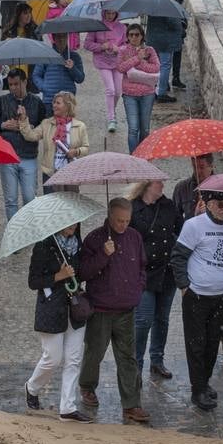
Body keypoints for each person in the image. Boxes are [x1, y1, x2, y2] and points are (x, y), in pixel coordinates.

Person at [76, 198, 150, 423]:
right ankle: (87, 386)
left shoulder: (134, 237)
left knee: (127, 358)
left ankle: (131, 404)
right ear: (109, 216)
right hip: (100, 309)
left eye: (127, 221)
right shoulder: (95, 239)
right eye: (119, 221)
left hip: (127, 308)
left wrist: (139, 287)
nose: (123, 225)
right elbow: (83, 273)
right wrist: (103, 255)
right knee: (94, 352)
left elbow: (142, 266)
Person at [170, 189, 223, 411]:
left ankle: (204, 382)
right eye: (219, 204)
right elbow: (178, 256)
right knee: (196, 344)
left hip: (222, 295)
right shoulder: (193, 225)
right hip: (197, 295)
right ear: (208, 204)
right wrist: (183, 286)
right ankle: (197, 389)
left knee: (211, 343)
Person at [26, 224, 91, 422]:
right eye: (67, 224)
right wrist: (58, 276)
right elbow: (33, 281)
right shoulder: (44, 246)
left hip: (75, 307)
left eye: (74, 223)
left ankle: (67, 407)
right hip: (52, 308)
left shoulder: (78, 244)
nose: (72, 227)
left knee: (73, 358)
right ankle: (32, 387)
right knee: (52, 358)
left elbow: (83, 272)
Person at [128, 179, 183, 380]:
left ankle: (157, 360)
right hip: (143, 274)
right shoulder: (133, 209)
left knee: (162, 319)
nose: (163, 185)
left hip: (166, 272)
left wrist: (196, 214)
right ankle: (137, 364)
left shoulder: (168, 206)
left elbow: (182, 229)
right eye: (159, 182)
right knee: (143, 320)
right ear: (147, 184)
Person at [0, 69, 51, 220]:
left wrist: (27, 125)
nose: (13, 88)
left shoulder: (36, 102)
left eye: (16, 84)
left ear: (25, 82)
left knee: (30, 197)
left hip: (28, 155)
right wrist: (2, 125)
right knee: (11, 200)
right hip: (7, 156)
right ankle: (14, 235)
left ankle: (29, 229)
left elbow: (44, 125)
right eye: (10, 85)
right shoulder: (2, 101)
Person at [20, 91, 89, 192]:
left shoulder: (79, 126)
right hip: (50, 173)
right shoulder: (47, 124)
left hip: (71, 173)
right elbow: (31, 136)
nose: (54, 105)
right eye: (54, 102)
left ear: (67, 106)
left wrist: (76, 151)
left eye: (58, 103)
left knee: (71, 205)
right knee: (51, 205)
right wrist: (23, 120)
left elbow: (86, 147)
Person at [116, 24, 159, 154]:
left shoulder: (149, 50)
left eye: (137, 35)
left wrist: (140, 63)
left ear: (142, 36)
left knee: (145, 128)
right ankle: (134, 156)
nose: (134, 37)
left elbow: (156, 68)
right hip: (130, 94)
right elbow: (121, 68)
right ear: (127, 37)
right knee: (133, 128)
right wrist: (137, 59)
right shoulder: (123, 51)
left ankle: (143, 154)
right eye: (131, 35)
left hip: (147, 93)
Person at [84, 8, 125, 134]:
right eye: (108, 13)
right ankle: (111, 118)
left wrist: (118, 49)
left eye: (113, 13)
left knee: (118, 91)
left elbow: (127, 45)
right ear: (104, 13)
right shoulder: (97, 26)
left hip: (117, 61)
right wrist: (101, 47)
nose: (110, 16)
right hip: (102, 61)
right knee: (110, 90)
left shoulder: (122, 27)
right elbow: (87, 44)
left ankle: (112, 110)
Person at [32, 34, 85, 104]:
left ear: (67, 38)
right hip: (49, 99)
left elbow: (80, 79)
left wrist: (73, 68)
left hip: (68, 101)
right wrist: (44, 87)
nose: (61, 40)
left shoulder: (74, 56)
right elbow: (36, 75)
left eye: (64, 37)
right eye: (59, 37)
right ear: (54, 38)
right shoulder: (46, 56)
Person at [147, 8, 185, 104]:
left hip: (153, 38)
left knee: (157, 64)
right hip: (165, 41)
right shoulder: (168, 8)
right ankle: (161, 93)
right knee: (165, 65)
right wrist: (181, 27)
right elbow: (173, 23)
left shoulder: (153, 6)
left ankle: (156, 89)